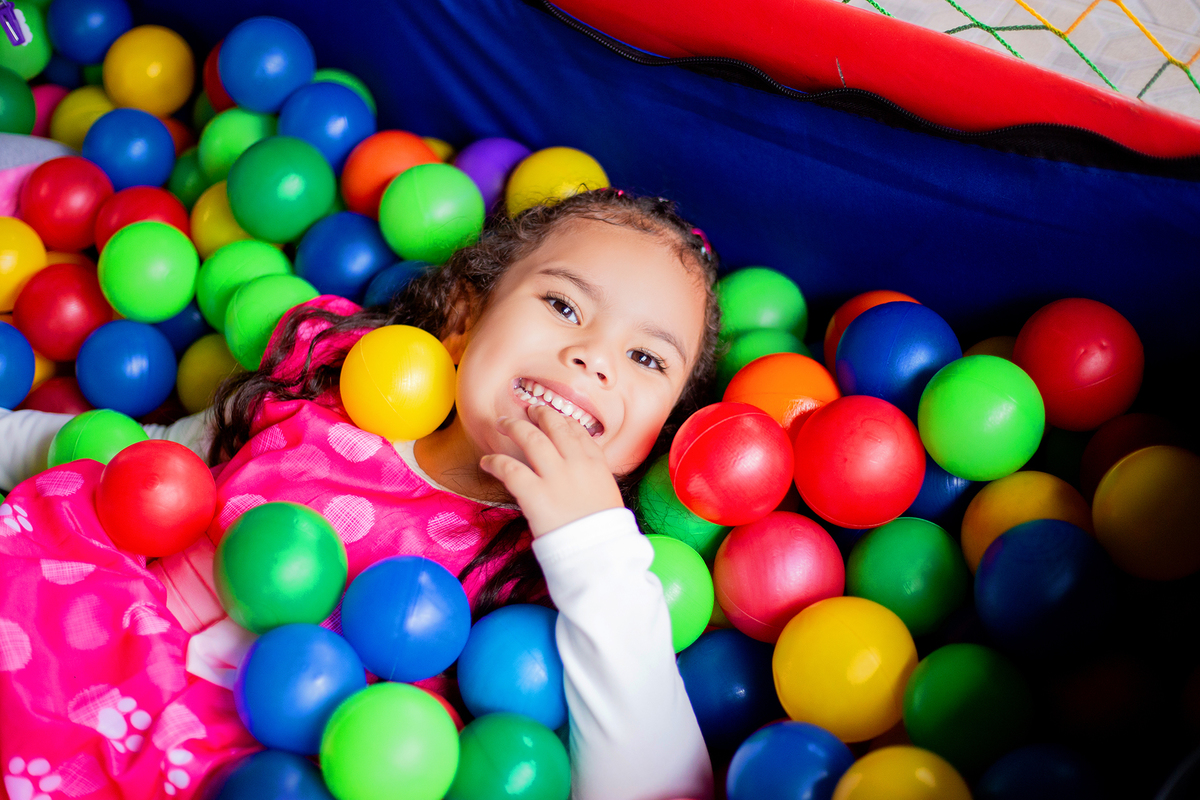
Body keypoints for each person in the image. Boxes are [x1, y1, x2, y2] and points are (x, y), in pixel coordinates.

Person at [0, 189, 721, 800]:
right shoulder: (326, 390)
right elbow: (144, 470)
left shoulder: (564, 582)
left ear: (657, 434)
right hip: (85, 660)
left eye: (646, 358)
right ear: (466, 321)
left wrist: (590, 548)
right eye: (563, 306)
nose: (592, 357)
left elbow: (660, 785)